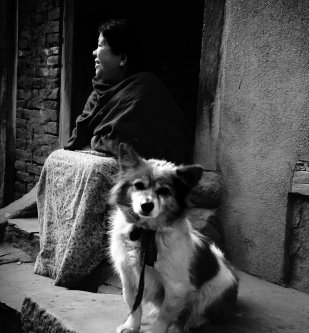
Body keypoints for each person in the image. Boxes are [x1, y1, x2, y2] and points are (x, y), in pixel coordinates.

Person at [33, 18, 191, 288]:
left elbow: (121, 140)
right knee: (54, 159)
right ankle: (52, 256)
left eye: (101, 46)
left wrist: (98, 140)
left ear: (122, 58)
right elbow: (86, 133)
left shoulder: (144, 86)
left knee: (95, 172)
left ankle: (83, 265)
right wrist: (95, 140)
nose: (94, 53)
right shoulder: (101, 88)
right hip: (106, 154)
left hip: (136, 163)